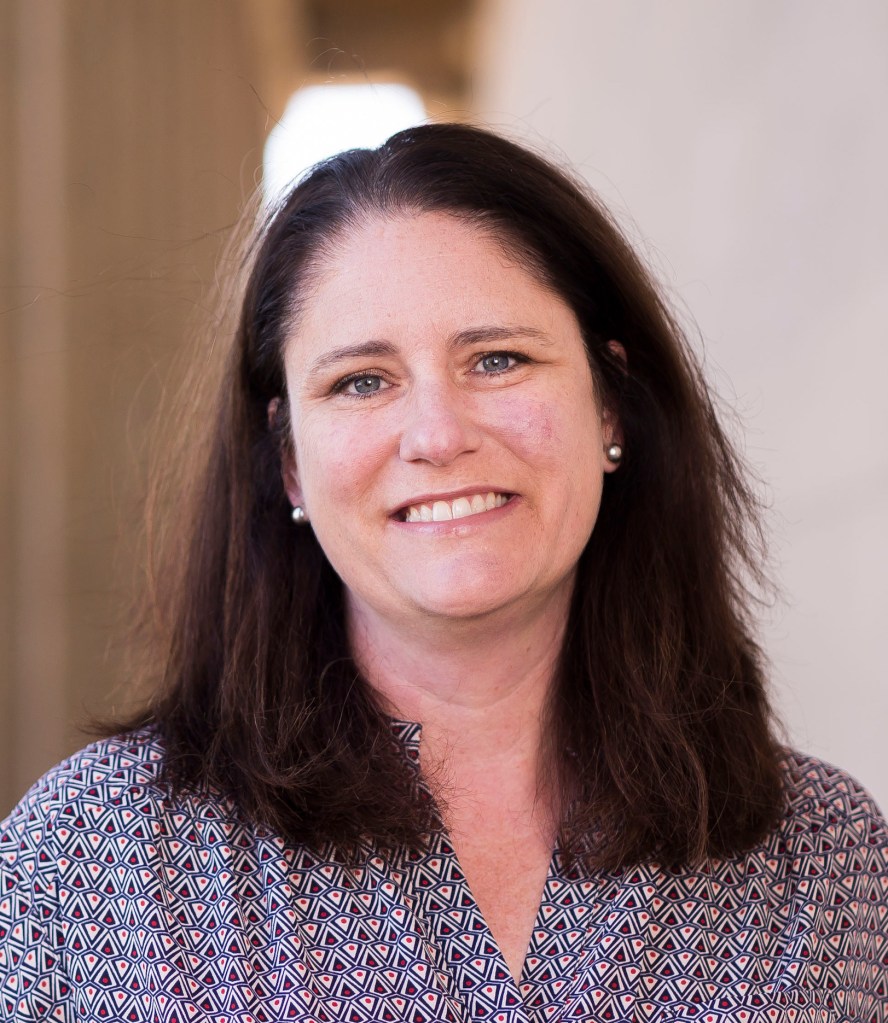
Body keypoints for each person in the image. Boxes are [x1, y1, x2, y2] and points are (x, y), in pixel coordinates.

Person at [1, 123, 886, 1023]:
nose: (437, 434)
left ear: (610, 401)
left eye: (497, 359)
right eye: (361, 382)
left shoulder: (825, 859)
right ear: (289, 462)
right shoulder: (85, 859)